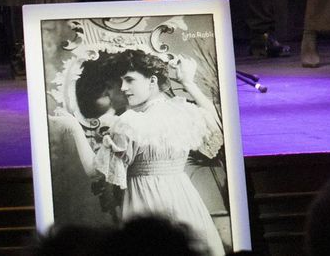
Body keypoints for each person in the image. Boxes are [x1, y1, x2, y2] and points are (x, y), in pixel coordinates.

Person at [54, 49, 227, 254]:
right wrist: (188, 83)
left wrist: (74, 127)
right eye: (121, 82)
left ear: (152, 81)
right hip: (184, 199)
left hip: (147, 204)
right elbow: (216, 123)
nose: (124, 88)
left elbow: (94, 171)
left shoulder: (130, 122)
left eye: (130, 80)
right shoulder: (184, 113)